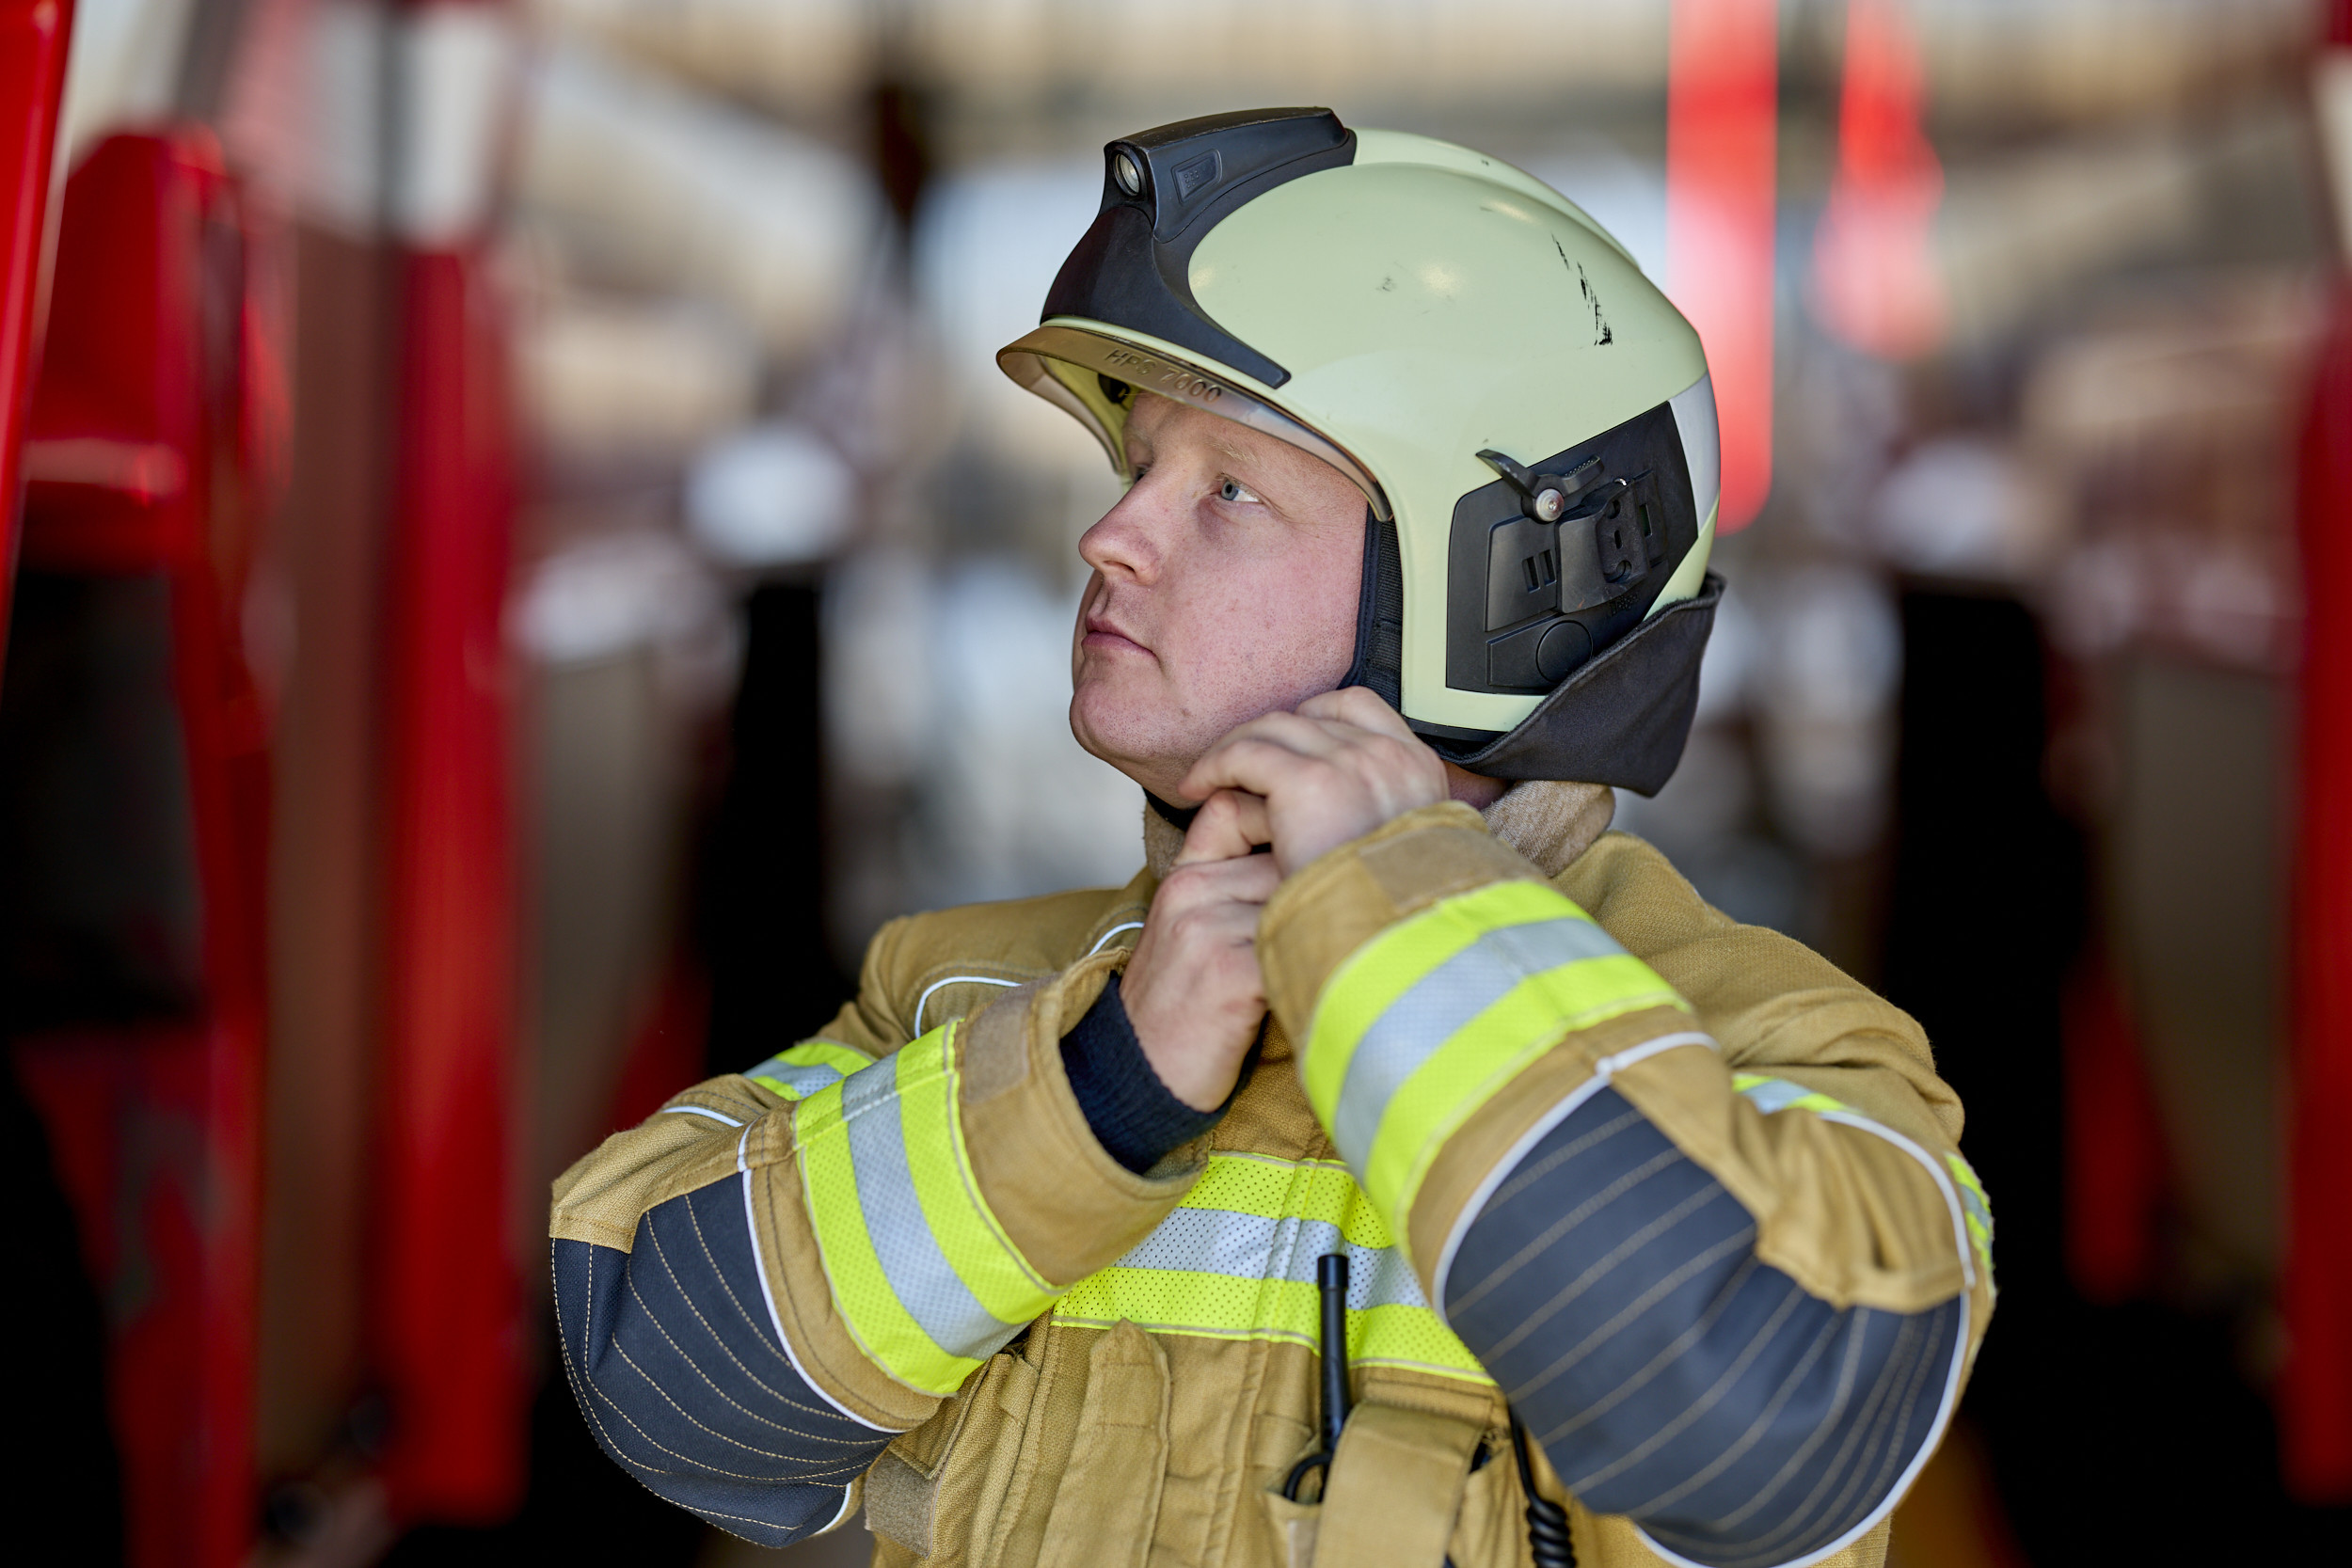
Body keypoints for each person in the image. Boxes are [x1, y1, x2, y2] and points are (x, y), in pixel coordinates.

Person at [549, 109, 1993, 1568]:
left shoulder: (1783, 1051)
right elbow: (669, 1389)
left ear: (1507, 583)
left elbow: (1774, 1430)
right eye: (1138, 470)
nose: (1110, 537)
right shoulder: (965, 996)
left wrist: (1399, 923)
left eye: (1228, 490)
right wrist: (1099, 1087)